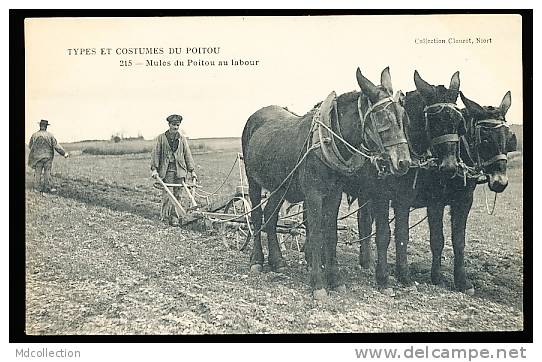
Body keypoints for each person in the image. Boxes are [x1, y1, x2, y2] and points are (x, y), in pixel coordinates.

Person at [150, 114, 197, 226]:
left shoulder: (182, 139)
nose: (175, 127)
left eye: (177, 125)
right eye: (173, 125)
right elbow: (155, 154)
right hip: (167, 170)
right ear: (169, 125)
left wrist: (192, 170)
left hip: (180, 170)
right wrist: (154, 169)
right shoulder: (161, 138)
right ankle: (164, 217)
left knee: (178, 195)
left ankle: (175, 217)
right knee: (168, 194)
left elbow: (187, 155)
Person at [28, 119, 69, 193]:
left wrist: (37, 152)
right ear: (46, 127)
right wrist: (64, 153)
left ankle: (36, 188)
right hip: (48, 157)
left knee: (37, 172)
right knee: (47, 172)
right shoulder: (50, 135)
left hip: (37, 157)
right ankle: (47, 187)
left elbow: (30, 146)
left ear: (40, 126)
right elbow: (56, 146)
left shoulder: (34, 135)